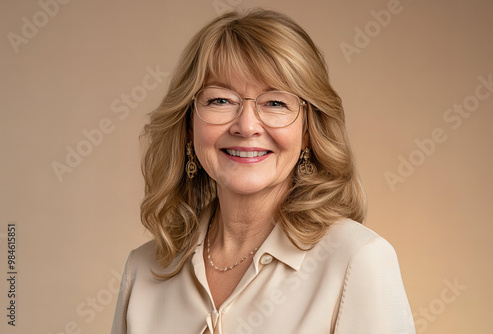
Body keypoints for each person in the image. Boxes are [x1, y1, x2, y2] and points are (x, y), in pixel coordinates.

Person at [111, 8, 416, 334]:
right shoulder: (144, 270)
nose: (246, 126)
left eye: (275, 102)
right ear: (188, 125)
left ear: (308, 131)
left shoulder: (358, 261)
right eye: (220, 100)